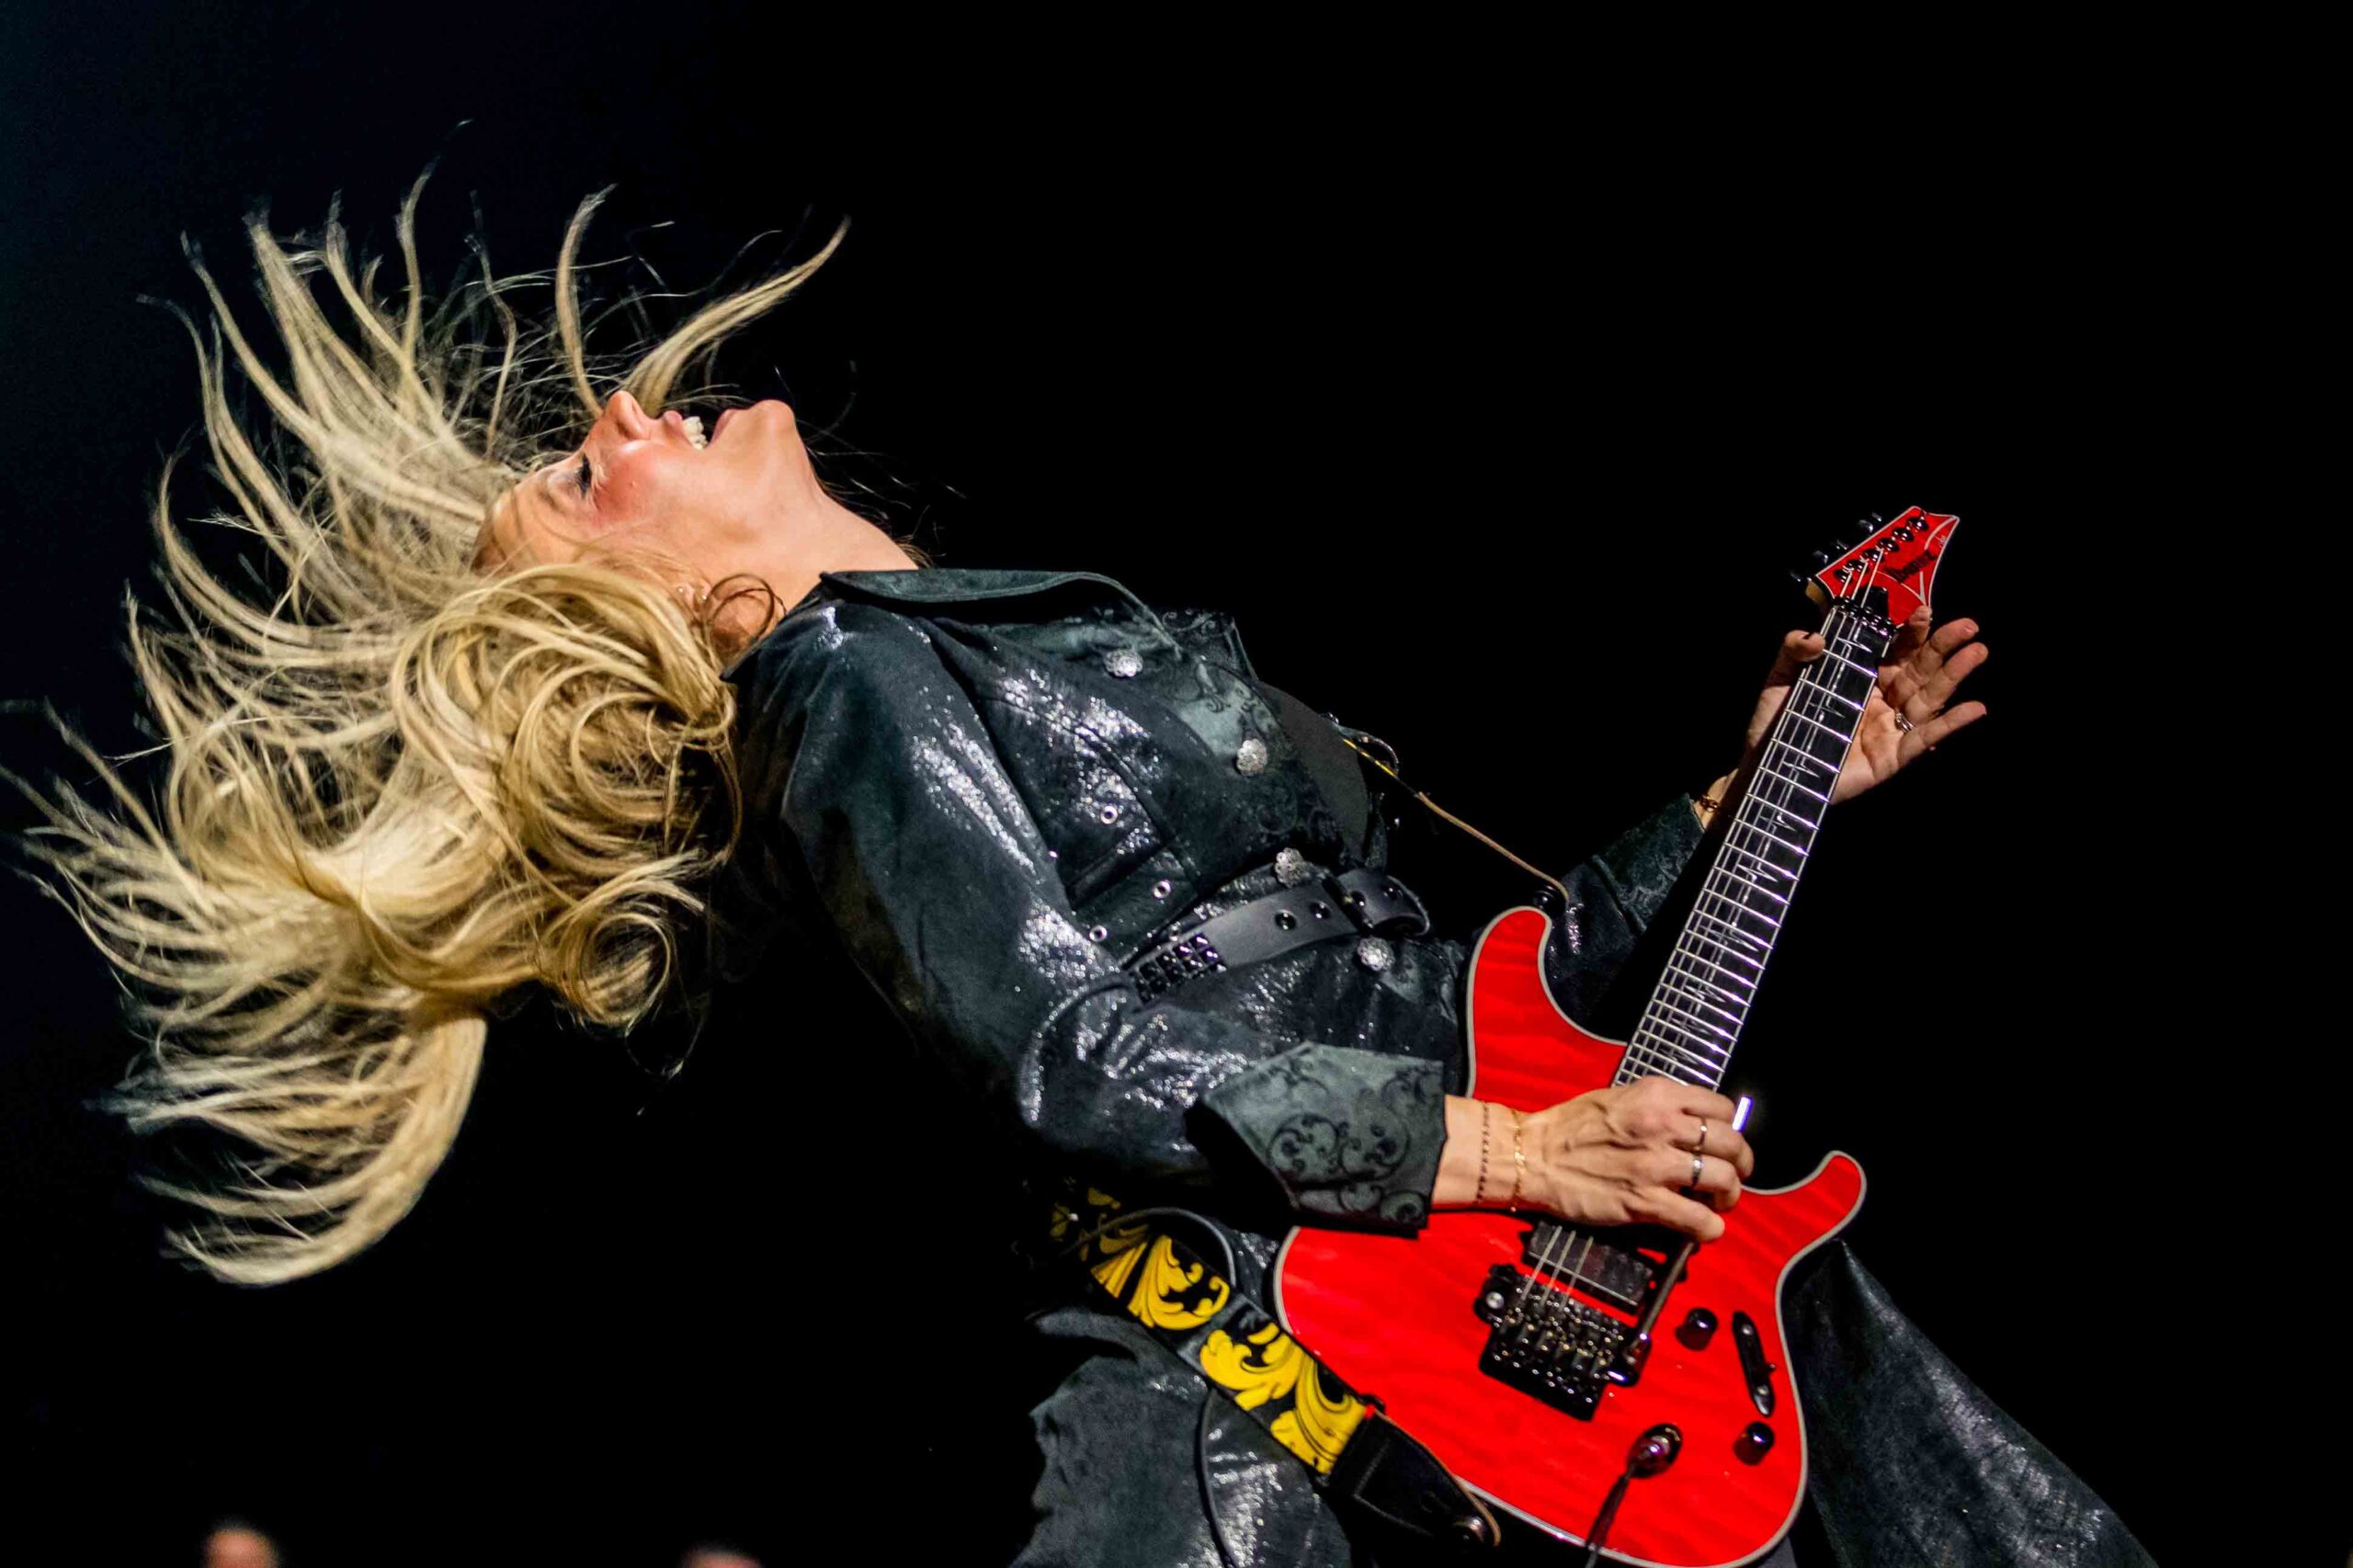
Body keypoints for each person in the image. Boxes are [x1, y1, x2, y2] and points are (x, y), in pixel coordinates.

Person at [7, 172, 2149, 1566]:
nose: (629, 413)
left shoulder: (969, 641)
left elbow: (1446, 981)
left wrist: (1753, 790)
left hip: (1506, 1269)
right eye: (588, 475)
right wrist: (1515, 1151)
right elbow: (1067, 1046)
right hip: (1285, 1381)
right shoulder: (835, 685)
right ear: (650, 606)